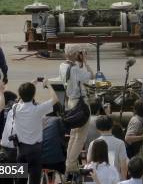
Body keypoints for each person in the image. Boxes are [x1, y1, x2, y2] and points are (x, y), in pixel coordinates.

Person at [14, 78, 60, 184]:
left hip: (20, 149)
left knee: (20, 180)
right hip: (35, 150)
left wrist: (31, 84)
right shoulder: (38, 109)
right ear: (33, 95)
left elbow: (20, 98)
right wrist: (48, 85)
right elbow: (55, 99)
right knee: (35, 180)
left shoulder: (15, 108)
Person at [60, 44, 95, 175]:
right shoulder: (75, 69)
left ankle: (69, 162)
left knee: (74, 134)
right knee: (81, 136)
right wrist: (85, 62)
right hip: (81, 104)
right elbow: (91, 76)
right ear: (76, 54)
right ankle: (71, 165)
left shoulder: (62, 66)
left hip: (70, 103)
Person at [41, 103, 67, 174]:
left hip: (37, 160)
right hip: (55, 161)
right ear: (58, 111)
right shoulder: (58, 120)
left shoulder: (38, 120)